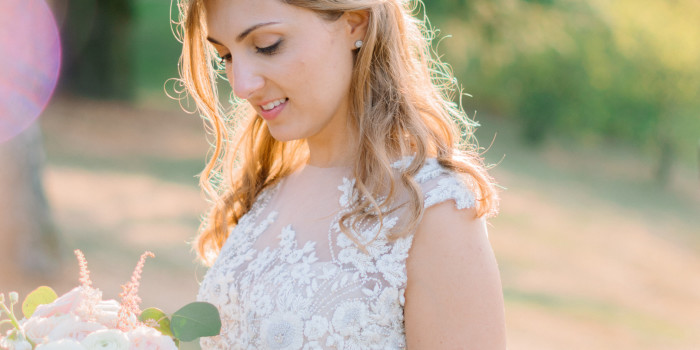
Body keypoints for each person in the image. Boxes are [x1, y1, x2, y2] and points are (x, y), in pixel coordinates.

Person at [176, 0, 506, 348]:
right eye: (226, 56)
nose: (241, 85)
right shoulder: (266, 190)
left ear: (355, 25)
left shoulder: (433, 208)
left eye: (267, 46)